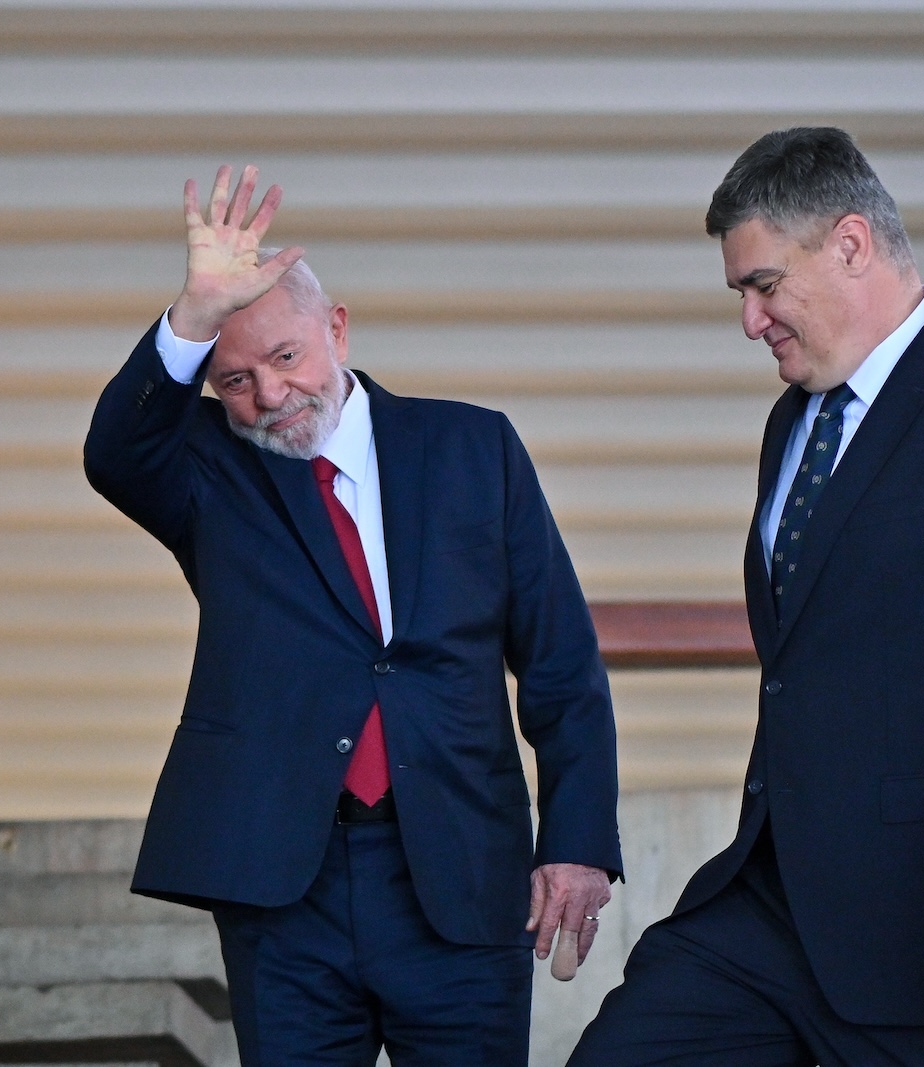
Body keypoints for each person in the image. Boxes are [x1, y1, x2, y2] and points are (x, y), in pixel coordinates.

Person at [569, 127, 924, 1066]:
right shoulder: (793, 423)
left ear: (850, 244)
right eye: (739, 294)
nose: (750, 321)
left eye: (763, 286)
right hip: (770, 913)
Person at [83, 165, 622, 1066]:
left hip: (459, 869)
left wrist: (577, 843)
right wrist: (192, 316)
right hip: (284, 882)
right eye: (236, 379)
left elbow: (562, 663)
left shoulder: (471, 447)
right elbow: (114, 453)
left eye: (286, 357)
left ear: (336, 328)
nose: (270, 396)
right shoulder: (213, 471)